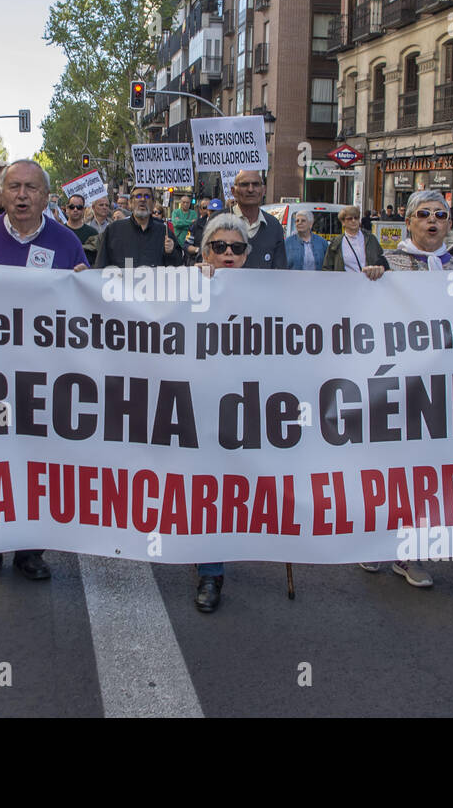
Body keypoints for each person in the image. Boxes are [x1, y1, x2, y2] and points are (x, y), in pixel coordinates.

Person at [356, 190, 453, 587]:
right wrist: (370, 281)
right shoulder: (388, 263)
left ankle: (410, 553)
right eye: (424, 214)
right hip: (397, 382)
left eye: (441, 214)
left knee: (428, 471)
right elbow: (364, 317)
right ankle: (376, 541)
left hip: (442, 387)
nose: (433, 221)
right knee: (390, 469)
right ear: (409, 222)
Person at [0, 159, 88, 581]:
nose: (21, 195)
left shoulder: (67, 244)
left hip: (46, 378)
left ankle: (31, 549)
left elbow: (85, 311)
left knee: (37, 465)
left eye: (31, 188)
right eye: (13, 186)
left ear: (47, 197)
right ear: (0, 193)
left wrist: (89, 286)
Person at [189, 212, 254, 612]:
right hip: (194, 403)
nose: (228, 254)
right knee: (203, 485)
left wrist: (373, 277)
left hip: (247, 403)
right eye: (219, 247)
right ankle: (209, 569)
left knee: (230, 486)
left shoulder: (275, 290)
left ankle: (212, 564)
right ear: (205, 250)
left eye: (237, 248)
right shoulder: (184, 284)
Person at [94, 184, 183, 268]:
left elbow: (178, 267)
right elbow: (101, 265)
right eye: (138, 196)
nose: (143, 200)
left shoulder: (164, 232)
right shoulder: (114, 230)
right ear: (130, 203)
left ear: (153, 204)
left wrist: (171, 252)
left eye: (147, 196)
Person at [230, 170, 287, 268]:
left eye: (256, 184)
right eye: (244, 184)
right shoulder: (217, 222)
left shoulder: (274, 225)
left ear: (264, 190)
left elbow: (280, 271)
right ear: (233, 191)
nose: (251, 189)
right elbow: (204, 265)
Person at [322, 205, 389, 274]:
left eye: (356, 218)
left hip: (369, 281)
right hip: (345, 282)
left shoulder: (371, 238)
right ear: (343, 222)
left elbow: (382, 260)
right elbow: (327, 268)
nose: (353, 221)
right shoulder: (336, 242)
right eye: (350, 218)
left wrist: (380, 268)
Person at [63, 192, 99, 266]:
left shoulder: (93, 232)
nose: (75, 209)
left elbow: (97, 259)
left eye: (79, 207)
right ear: (67, 208)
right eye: (72, 207)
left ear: (84, 209)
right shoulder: (60, 231)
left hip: (85, 275)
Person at [183, 197, 221, 263]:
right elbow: (187, 245)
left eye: (217, 212)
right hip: (199, 263)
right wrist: (199, 250)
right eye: (212, 211)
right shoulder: (196, 225)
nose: (214, 214)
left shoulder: (228, 227)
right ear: (208, 211)